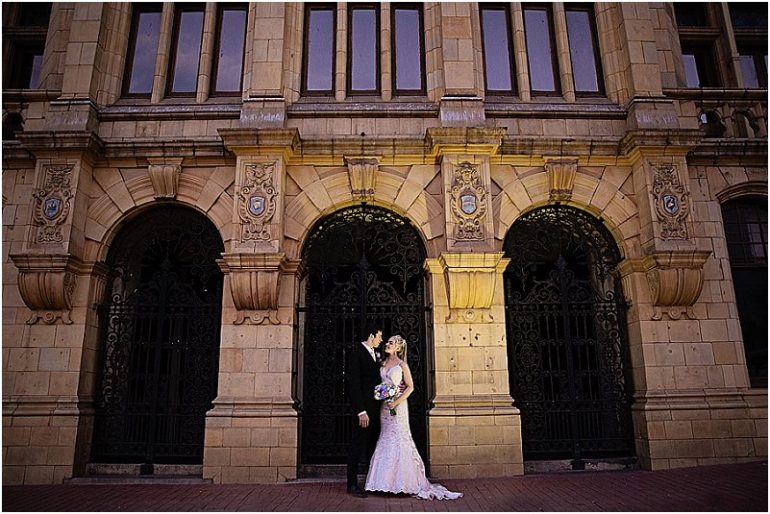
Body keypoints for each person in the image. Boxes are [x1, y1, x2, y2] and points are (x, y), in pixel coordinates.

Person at [365, 335, 463, 500]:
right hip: (385, 407)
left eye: (391, 343)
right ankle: (383, 482)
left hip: (398, 406)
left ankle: (404, 483)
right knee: (385, 437)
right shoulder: (382, 363)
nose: (387, 344)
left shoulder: (402, 365)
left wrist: (396, 402)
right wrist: (383, 394)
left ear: (398, 347)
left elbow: (410, 387)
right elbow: (381, 384)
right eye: (387, 342)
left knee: (399, 438)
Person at [346, 324, 383, 497]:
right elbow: (354, 385)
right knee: (357, 445)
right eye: (379, 336)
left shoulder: (376, 354)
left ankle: (371, 481)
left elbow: (375, 381)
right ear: (371, 336)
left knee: (371, 445)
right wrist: (361, 411)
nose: (381, 340)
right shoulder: (357, 355)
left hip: (375, 409)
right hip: (364, 411)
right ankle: (352, 484)